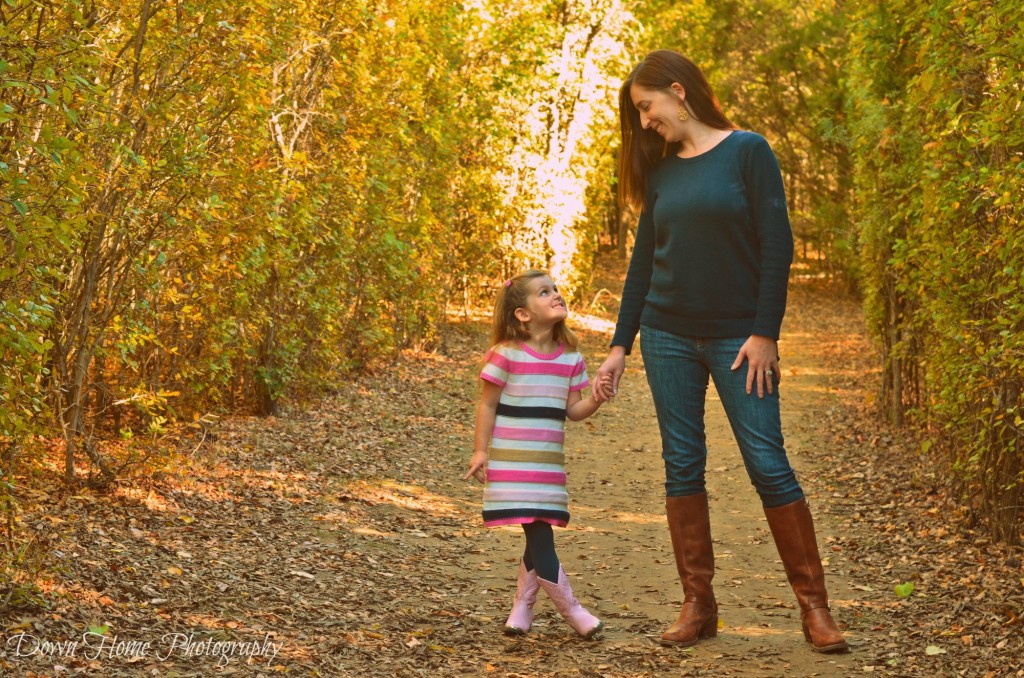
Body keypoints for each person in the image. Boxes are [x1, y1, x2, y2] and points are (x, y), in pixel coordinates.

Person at [594, 49, 849, 653]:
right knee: (682, 463)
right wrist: (618, 345)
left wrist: (765, 333)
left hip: (740, 340)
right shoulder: (661, 171)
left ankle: (815, 608)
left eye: (646, 107)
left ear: (678, 92)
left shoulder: (749, 152)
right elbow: (641, 263)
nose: (645, 120)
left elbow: (776, 244)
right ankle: (698, 604)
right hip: (666, 336)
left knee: (768, 462)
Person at [464, 269, 609, 639]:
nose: (556, 295)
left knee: (537, 535)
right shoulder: (505, 354)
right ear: (523, 314)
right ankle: (573, 611)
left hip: (546, 467)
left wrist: (596, 397)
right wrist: (481, 451)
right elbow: (487, 405)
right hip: (514, 464)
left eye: (556, 289)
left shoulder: (571, 359)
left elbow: (573, 411)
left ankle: (522, 608)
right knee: (540, 534)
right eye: (544, 292)